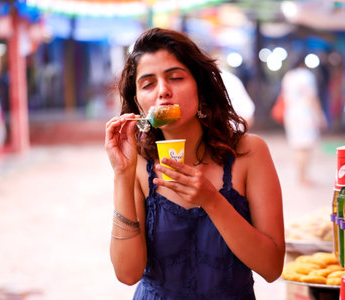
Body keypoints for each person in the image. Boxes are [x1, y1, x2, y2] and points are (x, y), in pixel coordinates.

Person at [105, 27, 285, 299]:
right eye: (148, 84)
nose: (163, 92)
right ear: (138, 105)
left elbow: (271, 268)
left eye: (176, 78)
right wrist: (122, 174)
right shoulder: (138, 165)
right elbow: (127, 273)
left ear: (200, 87)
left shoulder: (250, 153)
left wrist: (212, 200)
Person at [280, 59, 327, 186]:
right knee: (305, 147)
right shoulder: (306, 76)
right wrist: (320, 116)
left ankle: (300, 175)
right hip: (305, 114)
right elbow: (312, 97)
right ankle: (303, 177)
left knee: (297, 146)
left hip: (291, 113)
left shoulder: (288, 76)